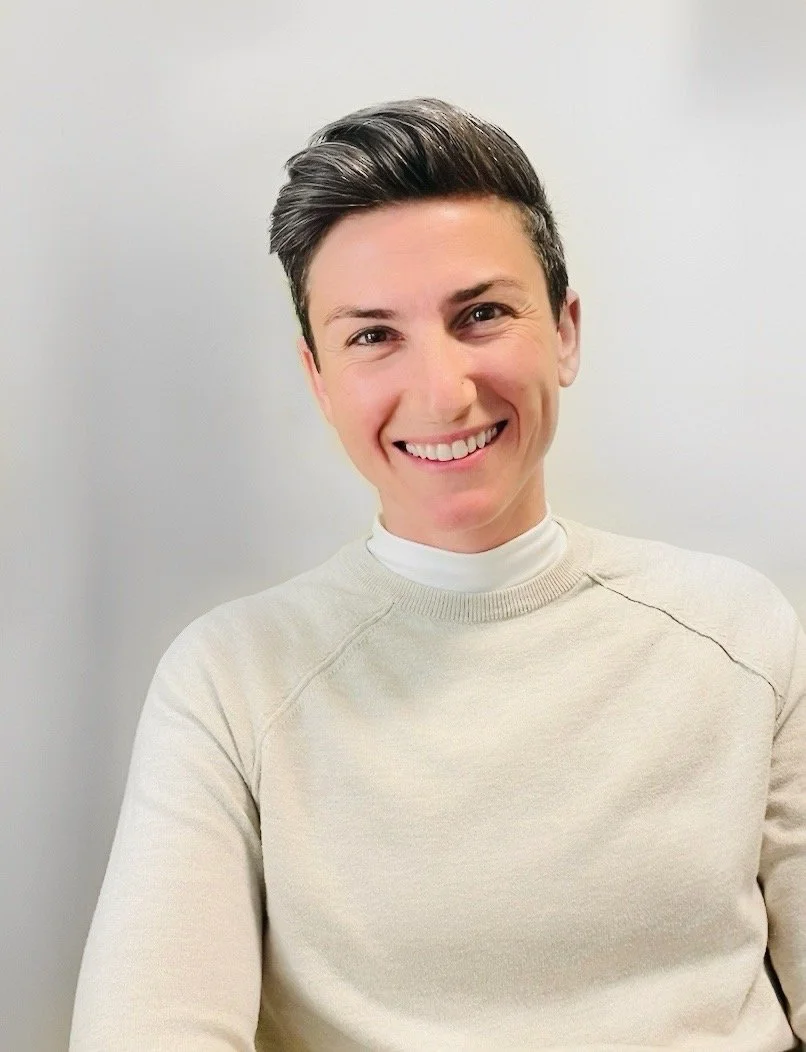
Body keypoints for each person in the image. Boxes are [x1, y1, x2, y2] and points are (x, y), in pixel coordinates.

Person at [69, 97, 805, 1051]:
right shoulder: (231, 683)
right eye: (374, 336)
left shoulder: (737, 629)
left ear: (565, 332)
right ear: (318, 378)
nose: (442, 390)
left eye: (483, 315)